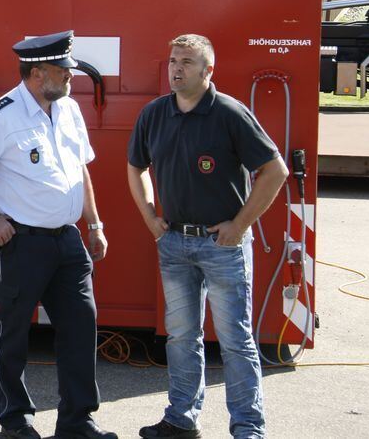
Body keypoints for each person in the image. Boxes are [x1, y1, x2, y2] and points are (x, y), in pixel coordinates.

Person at [0, 31, 116, 439]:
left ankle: (77, 422)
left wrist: (94, 224)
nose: (71, 79)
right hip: (22, 242)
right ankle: (16, 421)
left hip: (68, 240)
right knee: (14, 332)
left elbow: (81, 170)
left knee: (81, 326)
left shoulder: (69, 108)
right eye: (64, 72)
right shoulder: (1, 117)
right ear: (38, 74)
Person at [127, 34, 288, 439]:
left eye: (186, 62)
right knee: (182, 337)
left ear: (207, 70)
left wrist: (240, 226)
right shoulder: (154, 114)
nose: (176, 69)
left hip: (223, 247)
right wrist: (150, 216)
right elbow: (136, 167)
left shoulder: (230, 114)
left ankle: (248, 428)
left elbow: (275, 171)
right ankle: (181, 419)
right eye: (172, 60)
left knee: (235, 340)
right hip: (175, 244)